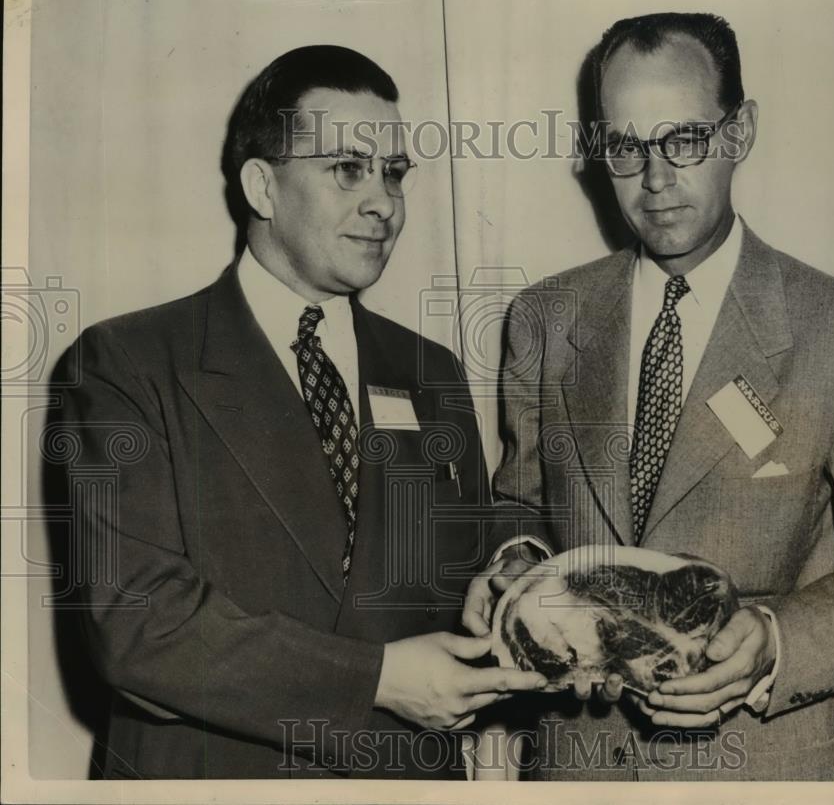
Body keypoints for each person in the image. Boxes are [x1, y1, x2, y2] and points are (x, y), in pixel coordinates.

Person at [463, 12, 834, 781]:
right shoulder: (545, 318)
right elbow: (521, 506)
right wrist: (515, 572)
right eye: (626, 147)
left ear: (740, 131)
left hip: (763, 768)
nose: (654, 180)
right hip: (577, 766)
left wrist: (773, 639)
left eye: (683, 140)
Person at [48, 44, 545, 780]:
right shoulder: (126, 363)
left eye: (393, 171)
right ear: (262, 187)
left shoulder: (429, 372)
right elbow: (137, 627)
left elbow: (461, 556)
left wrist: (512, 566)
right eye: (347, 168)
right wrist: (376, 679)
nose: (383, 201)